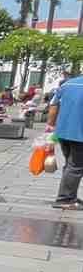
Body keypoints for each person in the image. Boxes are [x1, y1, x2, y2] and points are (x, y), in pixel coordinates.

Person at [47, 75, 83, 210]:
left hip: (62, 132)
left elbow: (53, 105)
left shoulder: (67, 84)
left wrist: (50, 126)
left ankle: (69, 195)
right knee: (75, 166)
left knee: (71, 165)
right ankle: (65, 199)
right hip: (79, 133)